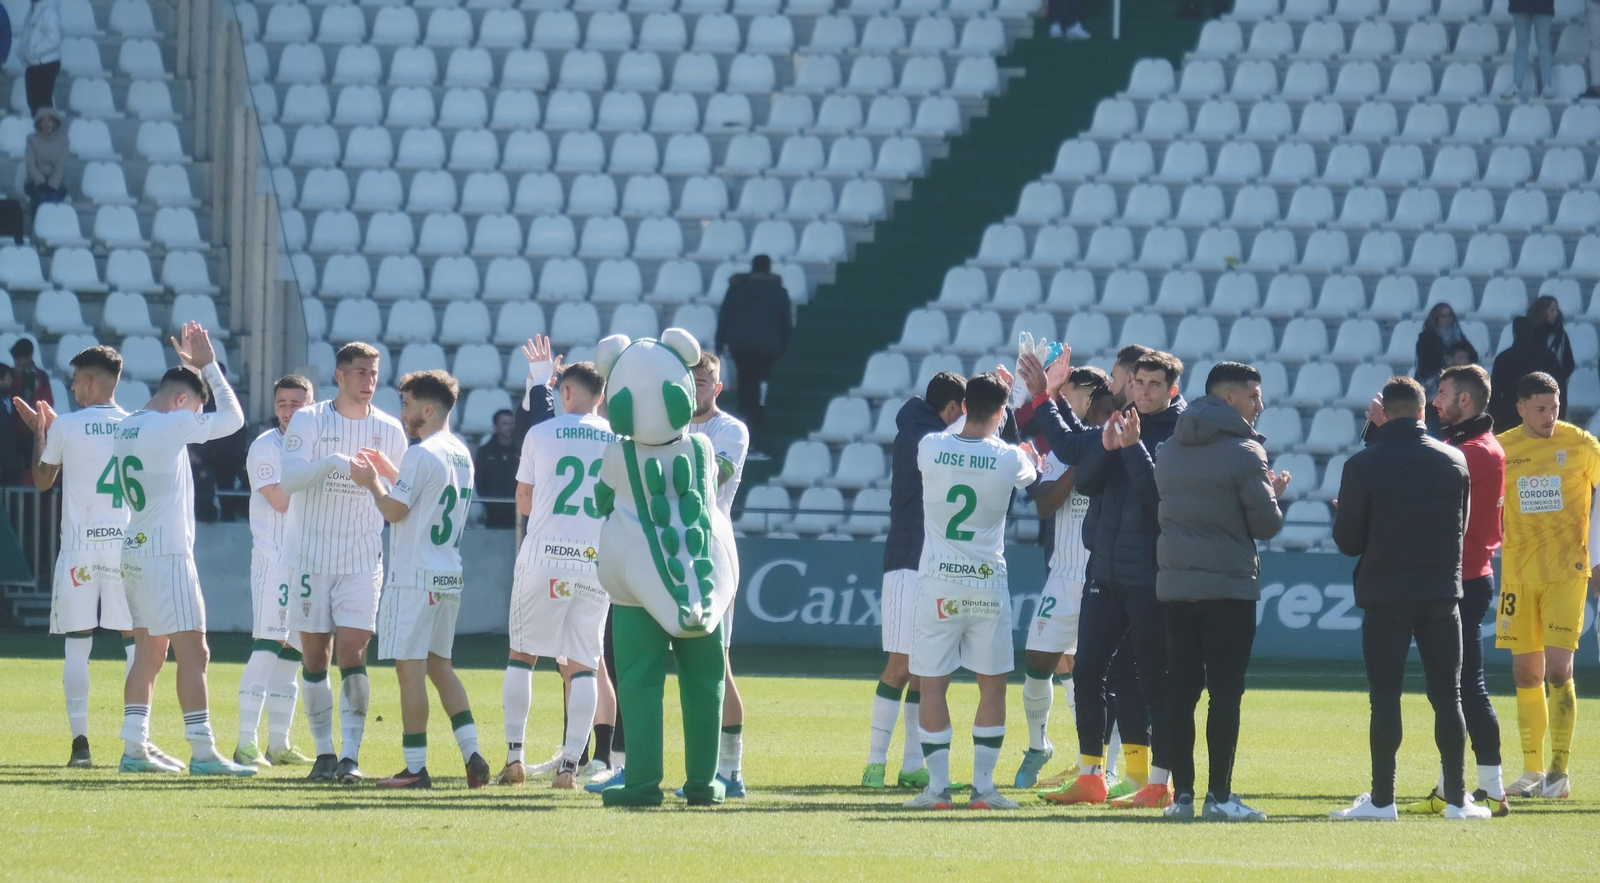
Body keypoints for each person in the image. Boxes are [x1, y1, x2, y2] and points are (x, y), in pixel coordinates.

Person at [1329, 377, 1487, 820]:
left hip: (1385, 595)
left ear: (1386, 412)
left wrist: (1346, 513)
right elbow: (1464, 526)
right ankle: (1457, 800)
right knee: (1448, 698)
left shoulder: (1363, 465)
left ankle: (1383, 801)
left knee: (1385, 699)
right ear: (1423, 411)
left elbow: (1347, 542)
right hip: (1440, 594)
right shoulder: (1454, 459)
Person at [1042, 352, 1188, 810]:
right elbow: (1086, 483)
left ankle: (1158, 782)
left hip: (1151, 575)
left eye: (1154, 384)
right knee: (1087, 670)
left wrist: (1130, 447)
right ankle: (1091, 776)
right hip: (1104, 569)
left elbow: (1156, 499)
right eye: (1138, 382)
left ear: (1172, 390)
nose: (1143, 391)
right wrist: (1106, 448)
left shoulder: (1180, 436)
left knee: (1153, 681)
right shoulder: (1122, 422)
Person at [115, 323, 255, 776]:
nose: (197, 419)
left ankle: (134, 746)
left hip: (134, 546)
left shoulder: (127, 425)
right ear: (181, 402)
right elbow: (234, 420)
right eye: (196, 409)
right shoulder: (172, 421)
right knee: (195, 653)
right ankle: (203, 751)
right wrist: (208, 367)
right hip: (166, 553)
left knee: (148, 651)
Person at [1154, 362, 1290, 821]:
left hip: (1175, 587)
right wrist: (1272, 493)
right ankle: (1221, 797)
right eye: (1254, 395)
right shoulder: (1245, 452)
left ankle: (1183, 798)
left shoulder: (1169, 448)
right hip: (1227, 589)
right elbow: (1265, 524)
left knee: (1180, 693)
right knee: (1225, 694)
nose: (1261, 404)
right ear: (1229, 399)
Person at [902, 372, 1039, 811]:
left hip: (939, 581)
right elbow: (1032, 476)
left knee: (933, 685)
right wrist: (1011, 411)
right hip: (986, 585)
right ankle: (983, 789)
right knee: (992, 688)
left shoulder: (931, 446)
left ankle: (938, 789)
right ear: (1000, 413)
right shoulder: (1009, 457)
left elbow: (951, 437)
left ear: (963, 406)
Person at [1377, 365, 1508, 816]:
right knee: (1454, 687)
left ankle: (1489, 785)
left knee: (1463, 686)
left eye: (1444, 393)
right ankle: (1457, 785)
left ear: (1465, 401)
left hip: (1463, 578)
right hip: (1461, 575)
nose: (1435, 401)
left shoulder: (1471, 452)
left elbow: (1420, 483)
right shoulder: (1470, 446)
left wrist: (1388, 434)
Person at [351, 370, 490, 789]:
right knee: (441, 667)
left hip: (414, 578)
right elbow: (427, 495)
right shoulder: (460, 452)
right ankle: (472, 753)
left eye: (408, 404)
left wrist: (372, 482)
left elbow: (395, 512)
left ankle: (415, 769)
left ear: (428, 409)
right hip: (448, 573)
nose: (403, 412)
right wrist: (391, 473)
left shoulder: (422, 453)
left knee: (409, 672)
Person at [279, 342, 409, 783]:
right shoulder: (310, 420)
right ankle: (324, 753)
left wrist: (385, 474)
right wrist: (335, 462)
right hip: (311, 558)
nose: (368, 381)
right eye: (359, 373)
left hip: (361, 560)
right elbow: (291, 478)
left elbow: (406, 491)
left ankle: (351, 755)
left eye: (373, 373)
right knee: (315, 656)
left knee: (354, 652)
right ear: (338, 376)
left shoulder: (390, 429)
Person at [14, 345, 138, 768]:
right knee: (133, 644)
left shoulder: (66, 425)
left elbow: (44, 482)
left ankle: (81, 745)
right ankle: (134, 742)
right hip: (126, 545)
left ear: (88, 381)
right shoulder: (136, 426)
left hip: (81, 548)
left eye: (75, 380)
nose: (72, 387)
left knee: (77, 645)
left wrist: (40, 434)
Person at [503, 359, 616, 790]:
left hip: (544, 557)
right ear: (600, 397)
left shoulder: (540, 433)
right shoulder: (615, 440)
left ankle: (515, 759)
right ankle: (570, 766)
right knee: (584, 664)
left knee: (523, 656)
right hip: (592, 561)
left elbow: (524, 501)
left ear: (564, 392)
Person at [1495, 371, 1600, 801]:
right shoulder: (1503, 448)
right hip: (1518, 574)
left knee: (1559, 670)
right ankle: (1532, 769)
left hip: (1566, 573)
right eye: (1540, 409)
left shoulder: (1580, 444)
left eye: (1554, 408)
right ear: (1520, 408)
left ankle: (1559, 771)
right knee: (1525, 673)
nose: (1549, 417)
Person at [861, 371, 965, 790]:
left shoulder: (927, 431)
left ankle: (911, 765)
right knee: (901, 665)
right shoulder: (916, 437)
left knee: (927, 671)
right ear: (955, 408)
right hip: (908, 560)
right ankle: (874, 763)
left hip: (934, 561)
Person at [1012, 367, 1114, 788]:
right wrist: (1079, 464)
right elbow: (1044, 505)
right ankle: (1038, 746)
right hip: (1064, 574)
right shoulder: (1061, 451)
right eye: (1101, 406)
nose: (1108, 415)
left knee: (1104, 675)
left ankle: (1101, 767)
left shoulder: (1122, 447)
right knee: (1038, 662)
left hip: (1106, 576)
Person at [233, 375, 316, 769]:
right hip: (275, 560)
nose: (287, 410)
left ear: (310, 405)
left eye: (296, 403)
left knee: (293, 655)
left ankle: (278, 744)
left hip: (309, 562)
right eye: (282, 403)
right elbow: (281, 502)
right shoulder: (266, 447)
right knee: (267, 646)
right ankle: (244, 743)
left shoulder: (317, 445)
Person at [687, 353, 751, 797]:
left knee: (716, 665)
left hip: (712, 552)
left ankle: (731, 770)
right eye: (691, 381)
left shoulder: (729, 430)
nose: (698, 388)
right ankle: (623, 762)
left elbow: (716, 477)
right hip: (670, 553)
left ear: (719, 387)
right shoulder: (669, 426)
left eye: (705, 381)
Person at [714, 254, 790, 439]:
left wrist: (720, 341)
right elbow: (785, 321)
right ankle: (754, 417)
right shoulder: (777, 290)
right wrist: (783, 347)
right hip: (766, 346)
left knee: (745, 377)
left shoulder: (737, 287)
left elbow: (725, 314)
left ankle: (744, 413)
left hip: (739, 344)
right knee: (758, 380)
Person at [473, 408, 520, 529]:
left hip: (519, 510)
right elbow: (480, 481)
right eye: (505, 424)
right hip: (493, 511)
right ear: (495, 426)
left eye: (511, 424)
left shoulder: (523, 450)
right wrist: (490, 503)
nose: (509, 427)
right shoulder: (484, 452)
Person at [1507, 0, 1556, 98]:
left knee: (1540, 45)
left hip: (1539, 6)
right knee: (1528, 44)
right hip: (1523, 5)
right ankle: (1517, 84)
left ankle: (1547, 86)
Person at [25, 107, 68, 215]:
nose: (46, 124)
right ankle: (36, 228)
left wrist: (53, 185)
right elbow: (30, 165)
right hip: (35, 182)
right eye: (43, 120)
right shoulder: (31, 140)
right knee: (41, 198)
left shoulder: (63, 141)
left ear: (55, 123)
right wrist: (40, 182)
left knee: (53, 199)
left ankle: (54, 229)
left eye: (50, 120)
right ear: (38, 123)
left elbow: (60, 167)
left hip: (57, 183)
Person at [20, 0, 60, 116]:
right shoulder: (33, 10)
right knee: (34, 104)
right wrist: (23, 52)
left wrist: (33, 51)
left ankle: (47, 134)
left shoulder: (48, 11)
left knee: (43, 105)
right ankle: (39, 133)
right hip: (34, 63)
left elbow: (54, 38)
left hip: (45, 64)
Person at [1415, 303, 1466, 388]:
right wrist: (1445, 362)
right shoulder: (1426, 338)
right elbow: (1424, 365)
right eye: (1444, 316)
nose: (1448, 319)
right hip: (1432, 381)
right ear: (1436, 318)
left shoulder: (1458, 336)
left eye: (1450, 316)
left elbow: (1473, 356)